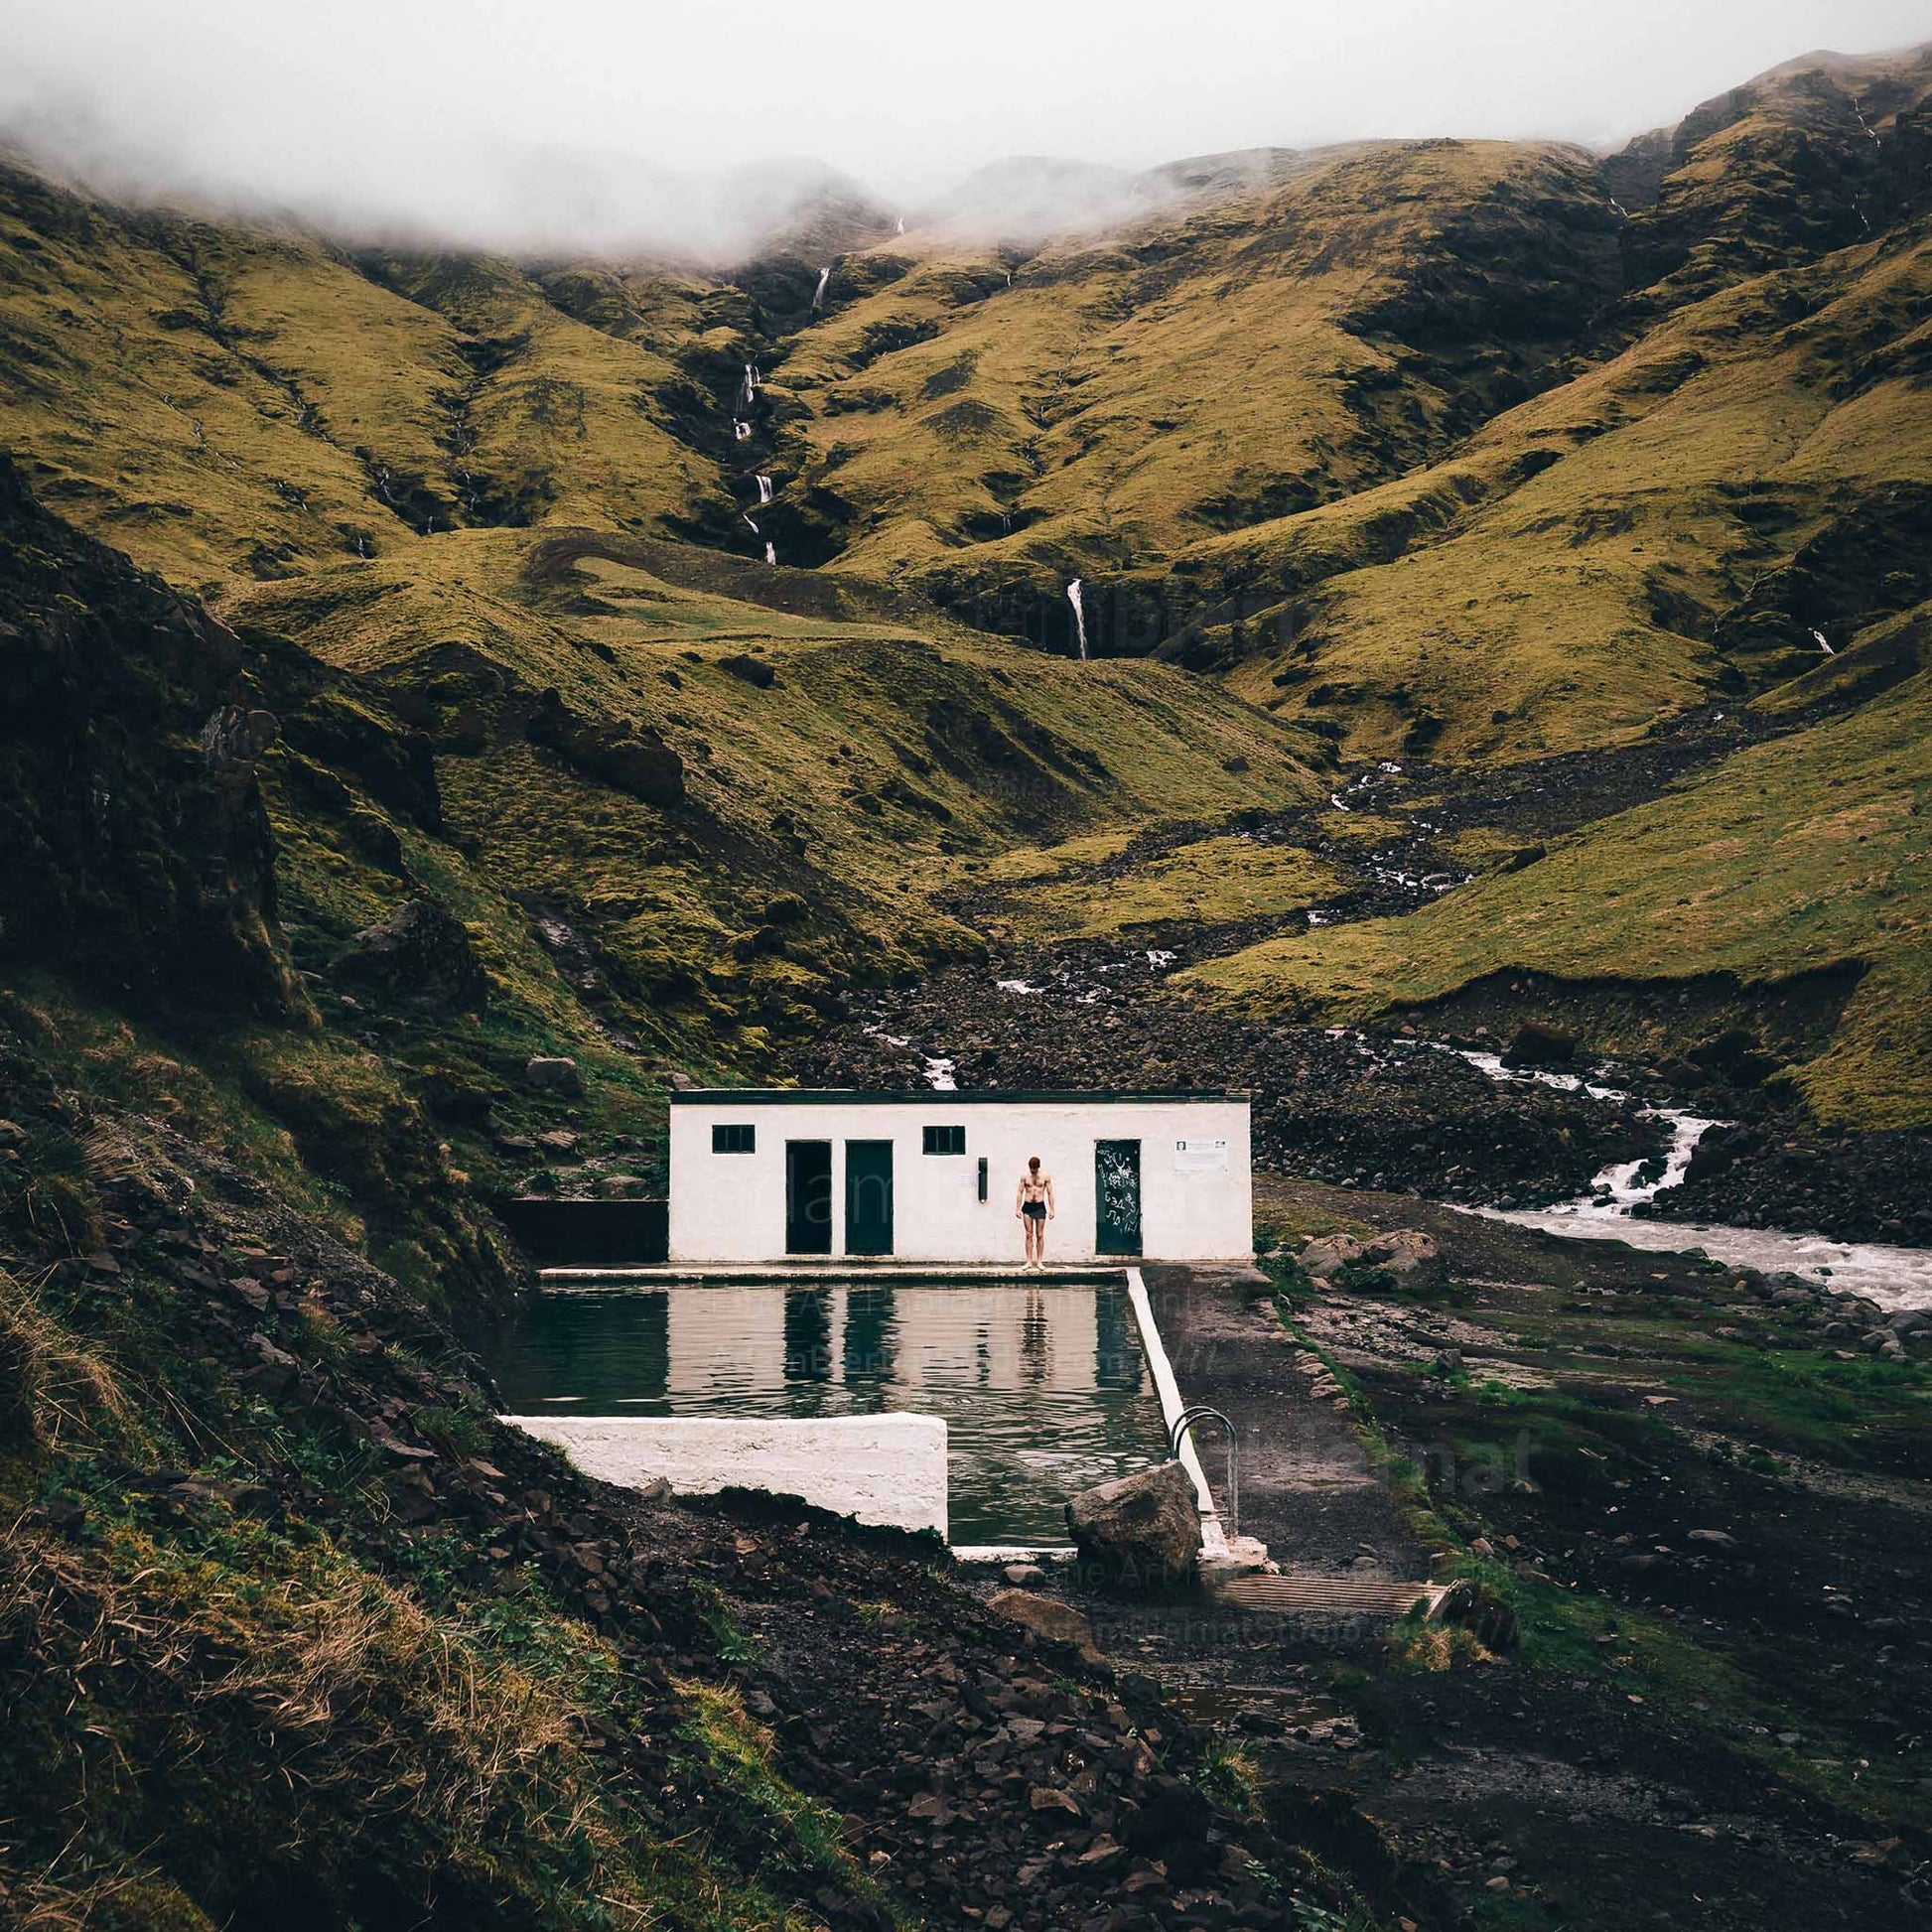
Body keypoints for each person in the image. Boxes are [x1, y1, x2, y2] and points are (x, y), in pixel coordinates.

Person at [1015, 1155, 1054, 1269]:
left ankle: (1039, 1261)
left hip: (1039, 1206)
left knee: (1040, 1235)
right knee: (1028, 1234)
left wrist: (1052, 1210)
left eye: (1035, 1169)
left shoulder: (1045, 1177)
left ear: (1038, 1167)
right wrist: (1017, 1209)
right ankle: (1028, 1261)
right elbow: (1020, 1192)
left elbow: (1050, 1193)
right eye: (1031, 1169)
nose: (1033, 1171)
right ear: (1029, 1167)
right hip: (1027, 1207)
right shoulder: (1024, 1176)